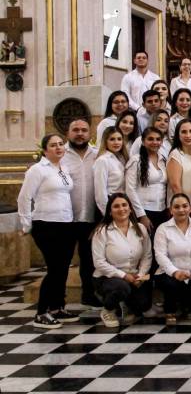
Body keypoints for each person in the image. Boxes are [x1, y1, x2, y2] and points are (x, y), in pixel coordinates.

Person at [18, 134, 78, 329]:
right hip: (46, 224)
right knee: (54, 269)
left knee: (63, 268)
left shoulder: (63, 167)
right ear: (45, 150)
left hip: (66, 223)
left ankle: (57, 307)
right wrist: (26, 224)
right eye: (53, 145)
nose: (58, 147)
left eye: (60, 144)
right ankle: (42, 312)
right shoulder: (37, 170)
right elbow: (24, 198)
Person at [92, 193, 153, 328]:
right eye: (116, 206)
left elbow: (147, 255)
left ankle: (126, 304)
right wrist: (124, 276)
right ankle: (108, 310)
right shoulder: (102, 231)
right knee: (121, 287)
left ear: (130, 209)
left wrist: (141, 275)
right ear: (110, 211)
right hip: (107, 278)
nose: (121, 209)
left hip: (134, 276)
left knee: (143, 305)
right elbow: (99, 262)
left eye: (124, 205)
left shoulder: (140, 228)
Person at [154, 193, 191, 325]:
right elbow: (160, 255)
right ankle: (170, 310)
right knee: (172, 285)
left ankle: (187, 306)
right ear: (171, 210)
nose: (181, 210)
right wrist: (175, 272)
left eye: (185, 206)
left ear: (190, 208)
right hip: (168, 274)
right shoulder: (163, 228)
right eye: (177, 207)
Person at [62, 119, 102, 308]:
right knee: (62, 261)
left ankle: (89, 295)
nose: (80, 134)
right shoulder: (60, 154)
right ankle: (58, 301)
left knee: (88, 260)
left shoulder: (97, 154)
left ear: (90, 133)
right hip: (66, 218)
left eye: (84, 130)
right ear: (68, 133)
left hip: (91, 216)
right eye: (75, 130)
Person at [125, 127, 168, 237]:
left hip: (162, 210)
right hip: (143, 210)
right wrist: (141, 215)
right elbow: (130, 189)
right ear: (143, 142)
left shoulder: (163, 159)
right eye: (150, 139)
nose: (155, 142)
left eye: (158, 139)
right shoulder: (136, 160)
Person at [167, 119, 191, 217]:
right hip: (181, 209)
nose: (188, 135)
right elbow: (175, 186)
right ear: (178, 135)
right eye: (184, 132)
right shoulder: (175, 154)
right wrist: (183, 207)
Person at [94, 127, 128, 217]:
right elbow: (100, 192)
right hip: (109, 205)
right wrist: (107, 214)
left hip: (122, 203)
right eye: (112, 139)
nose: (116, 142)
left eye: (119, 139)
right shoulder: (102, 160)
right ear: (105, 141)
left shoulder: (123, 158)